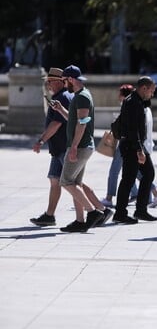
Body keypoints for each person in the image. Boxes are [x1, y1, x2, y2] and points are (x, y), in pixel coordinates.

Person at [51, 65, 107, 232]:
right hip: (82, 145)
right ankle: (80, 221)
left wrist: (74, 146)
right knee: (76, 183)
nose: (63, 84)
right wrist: (61, 110)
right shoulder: (80, 95)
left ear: (71, 80)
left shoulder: (82, 97)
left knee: (65, 181)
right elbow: (76, 119)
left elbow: (82, 123)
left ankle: (92, 212)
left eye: (64, 80)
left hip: (80, 145)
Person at [30, 67, 73, 226]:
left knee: (74, 183)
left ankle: (98, 209)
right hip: (58, 149)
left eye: (50, 81)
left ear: (59, 82)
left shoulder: (62, 98)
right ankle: (49, 215)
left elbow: (56, 124)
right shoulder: (62, 96)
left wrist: (41, 141)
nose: (48, 84)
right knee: (55, 180)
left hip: (63, 148)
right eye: (47, 81)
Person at [113, 76, 157, 224]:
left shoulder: (138, 100)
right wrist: (139, 150)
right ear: (143, 88)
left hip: (136, 145)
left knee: (148, 174)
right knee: (128, 179)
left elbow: (146, 105)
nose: (152, 94)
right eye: (151, 91)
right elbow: (133, 129)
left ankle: (141, 210)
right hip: (132, 146)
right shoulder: (132, 102)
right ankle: (120, 213)